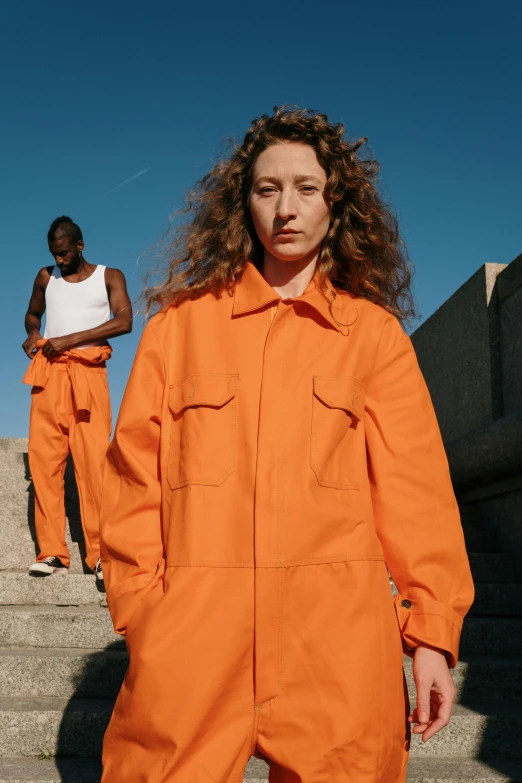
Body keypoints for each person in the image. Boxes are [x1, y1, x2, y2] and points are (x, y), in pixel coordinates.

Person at [100, 108, 474, 782]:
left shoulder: (374, 335)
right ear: (242, 203)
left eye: (307, 187)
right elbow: (133, 480)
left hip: (334, 647)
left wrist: (431, 637)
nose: (285, 208)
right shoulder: (177, 329)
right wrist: (143, 613)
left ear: (338, 202)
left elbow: (416, 491)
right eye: (266, 188)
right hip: (192, 643)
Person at [22, 216, 132, 580]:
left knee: (94, 467)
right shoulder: (45, 276)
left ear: (80, 245)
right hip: (49, 373)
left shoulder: (109, 276)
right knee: (44, 464)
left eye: (65, 253)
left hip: (87, 375)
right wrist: (33, 333)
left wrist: (69, 339)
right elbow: (32, 314)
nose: (60, 260)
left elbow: (124, 321)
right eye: (55, 254)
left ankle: (100, 556)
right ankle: (52, 551)